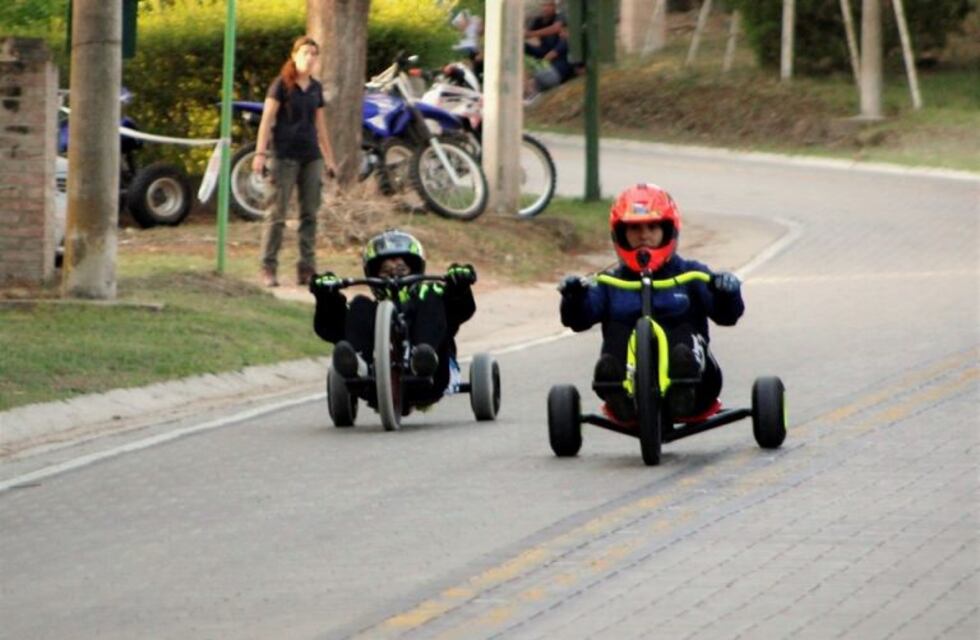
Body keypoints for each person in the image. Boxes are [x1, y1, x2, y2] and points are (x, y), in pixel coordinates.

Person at [558, 183, 745, 422]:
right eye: (634, 229)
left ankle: (682, 388)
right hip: (632, 390)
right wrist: (574, 297)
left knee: (683, 334)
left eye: (652, 227)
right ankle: (618, 390)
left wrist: (726, 291)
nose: (644, 235)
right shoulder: (609, 282)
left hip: (699, 384)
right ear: (620, 234)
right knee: (618, 332)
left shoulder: (691, 273)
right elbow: (578, 320)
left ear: (668, 230)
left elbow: (727, 316)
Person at [309, 229, 478, 407]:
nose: (394, 277)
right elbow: (328, 328)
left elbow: (461, 310)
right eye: (386, 271)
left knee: (430, 296)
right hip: (372, 387)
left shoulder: (432, 295)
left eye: (401, 269)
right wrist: (326, 297)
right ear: (373, 275)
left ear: (415, 268)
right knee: (359, 303)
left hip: (433, 378)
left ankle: (422, 359)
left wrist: (460, 286)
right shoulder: (369, 310)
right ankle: (360, 365)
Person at [252, 35, 337, 288]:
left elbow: (320, 125)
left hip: (310, 156)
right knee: (276, 213)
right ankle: (268, 266)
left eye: (314, 54)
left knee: (309, 213)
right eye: (305, 53)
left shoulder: (316, 88)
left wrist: (329, 159)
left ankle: (307, 267)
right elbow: (267, 120)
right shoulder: (281, 85)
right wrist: (260, 153)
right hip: (284, 156)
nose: (310, 58)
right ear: (294, 55)